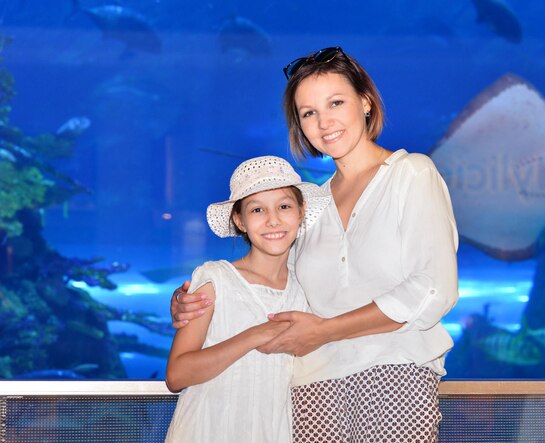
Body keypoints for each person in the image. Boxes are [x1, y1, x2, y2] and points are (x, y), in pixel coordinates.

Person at [172, 46, 459, 442]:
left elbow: (432, 288)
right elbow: (273, 282)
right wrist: (195, 300)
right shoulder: (312, 206)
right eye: (309, 113)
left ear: (365, 102)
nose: (324, 122)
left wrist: (326, 330)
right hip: (311, 385)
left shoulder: (410, 174)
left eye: (335, 103)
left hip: (396, 369)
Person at [165, 155, 330, 442]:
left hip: (272, 431)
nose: (273, 220)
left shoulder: (306, 289)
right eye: (257, 210)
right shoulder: (215, 280)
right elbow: (177, 375)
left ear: (301, 212)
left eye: (284, 206)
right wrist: (253, 335)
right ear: (239, 221)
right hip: (207, 429)